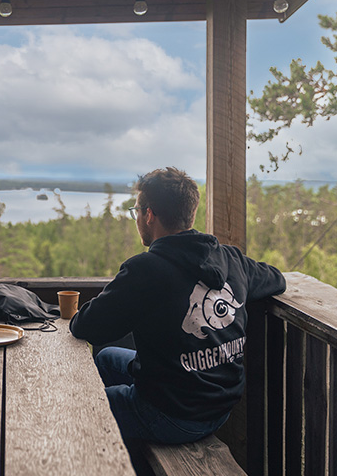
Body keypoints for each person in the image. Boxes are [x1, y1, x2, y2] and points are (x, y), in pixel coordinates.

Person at [70, 167, 285, 453]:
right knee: (108, 357)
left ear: (149, 214)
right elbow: (277, 280)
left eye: (136, 209)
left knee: (74, 409)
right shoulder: (232, 259)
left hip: (171, 414)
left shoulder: (145, 270)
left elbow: (86, 327)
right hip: (219, 407)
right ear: (190, 213)